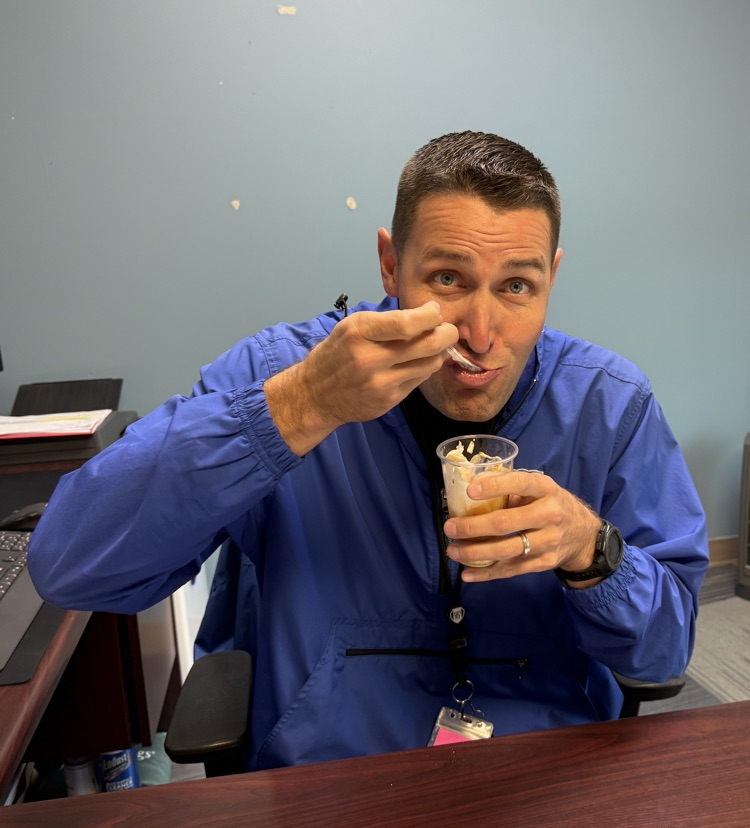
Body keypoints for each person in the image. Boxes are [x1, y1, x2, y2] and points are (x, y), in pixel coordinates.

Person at [28, 131, 708, 770]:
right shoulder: (283, 374)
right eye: (448, 278)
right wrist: (296, 410)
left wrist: (592, 551)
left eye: (517, 287)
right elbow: (71, 569)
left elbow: (663, 650)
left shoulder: (610, 404)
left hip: (538, 773)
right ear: (391, 263)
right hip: (334, 775)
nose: (479, 332)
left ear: (551, 277)